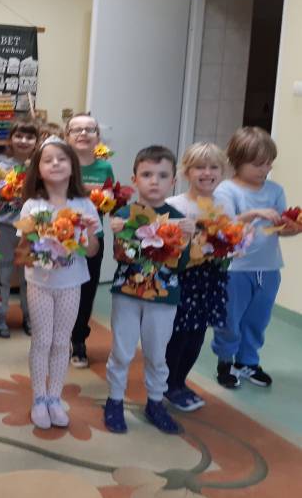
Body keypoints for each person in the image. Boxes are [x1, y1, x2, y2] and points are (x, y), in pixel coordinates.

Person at [104, 146, 194, 435]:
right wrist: (119, 231)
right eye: (147, 174)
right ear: (134, 179)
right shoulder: (125, 214)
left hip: (164, 297)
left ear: (173, 181)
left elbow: (181, 264)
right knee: (122, 350)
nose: (154, 181)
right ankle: (114, 400)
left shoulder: (179, 219)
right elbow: (121, 257)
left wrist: (187, 238)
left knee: (157, 353)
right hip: (127, 293)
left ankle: (155, 402)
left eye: (162, 175)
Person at [18, 137, 100, 429]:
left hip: (71, 282)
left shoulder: (84, 204)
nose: (55, 164)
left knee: (62, 341)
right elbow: (23, 250)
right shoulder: (32, 205)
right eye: (48, 160)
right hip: (39, 283)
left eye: (62, 159)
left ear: (73, 167)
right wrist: (39, 245)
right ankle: (38, 398)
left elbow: (92, 250)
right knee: (42, 340)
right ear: (38, 169)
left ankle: (54, 397)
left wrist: (86, 233)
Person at [211, 127, 301, 388]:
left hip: (269, 267)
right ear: (238, 161)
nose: (265, 169)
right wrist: (255, 213)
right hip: (235, 268)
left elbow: (280, 228)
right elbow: (223, 228)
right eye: (258, 164)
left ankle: (247, 361)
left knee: (258, 319)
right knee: (230, 319)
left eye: (269, 163)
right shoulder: (226, 190)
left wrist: (293, 228)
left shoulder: (275, 190)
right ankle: (225, 361)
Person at [163, 143, 232, 411]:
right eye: (199, 167)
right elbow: (164, 246)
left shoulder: (223, 205)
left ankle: (180, 381)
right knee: (178, 334)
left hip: (211, 279)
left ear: (222, 172)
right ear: (186, 172)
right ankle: (168, 383)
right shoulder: (174, 205)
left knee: (197, 334)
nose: (207, 173)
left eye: (214, 167)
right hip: (183, 278)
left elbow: (231, 241)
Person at [65, 113, 114, 368]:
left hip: (93, 238)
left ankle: (79, 340)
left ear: (98, 136)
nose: (83, 133)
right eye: (77, 129)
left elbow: (108, 203)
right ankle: (59, 338)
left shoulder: (104, 168)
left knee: (87, 291)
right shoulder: (60, 163)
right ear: (67, 136)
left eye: (89, 129)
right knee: (63, 290)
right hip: (60, 239)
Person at [0, 118, 39, 337]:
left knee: (28, 275)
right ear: (11, 139)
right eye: (19, 135)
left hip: (30, 230)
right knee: (3, 272)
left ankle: (29, 316)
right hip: (6, 226)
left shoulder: (39, 167)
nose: (23, 140)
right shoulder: (1, 167)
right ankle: (0, 315)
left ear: (36, 141)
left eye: (29, 137)